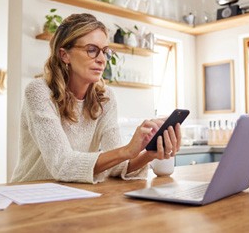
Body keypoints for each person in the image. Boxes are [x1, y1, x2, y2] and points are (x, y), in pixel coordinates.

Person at [11, 13, 182, 184]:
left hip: (72, 195)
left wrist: (149, 153)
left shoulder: (105, 98)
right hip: (28, 195)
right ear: (64, 55)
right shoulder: (39, 92)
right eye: (92, 50)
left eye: (105, 52)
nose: (101, 59)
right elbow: (62, 165)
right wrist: (128, 150)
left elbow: (116, 167)